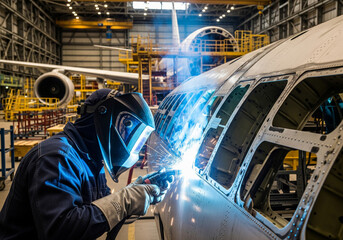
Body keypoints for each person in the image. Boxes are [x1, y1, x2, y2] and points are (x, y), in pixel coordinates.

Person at [0, 89, 171, 239]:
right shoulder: (57, 158)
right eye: (127, 129)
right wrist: (125, 201)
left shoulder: (90, 157)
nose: (129, 140)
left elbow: (101, 206)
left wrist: (135, 192)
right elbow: (59, 231)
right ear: (105, 118)